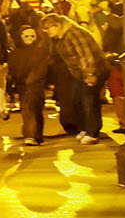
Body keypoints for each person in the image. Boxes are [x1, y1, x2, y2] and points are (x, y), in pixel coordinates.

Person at [42, 11, 109, 144]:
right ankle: (84, 128)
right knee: (76, 99)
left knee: (88, 101)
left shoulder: (73, 33)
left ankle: (92, 132)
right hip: (79, 73)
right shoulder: (60, 37)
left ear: (57, 25)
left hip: (93, 71)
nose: (47, 31)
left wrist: (90, 74)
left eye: (48, 28)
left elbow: (86, 55)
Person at [7, 21, 52, 146]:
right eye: (26, 36)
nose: (30, 39)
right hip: (23, 87)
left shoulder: (41, 51)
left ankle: (37, 135)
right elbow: (12, 70)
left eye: (32, 36)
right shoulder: (16, 53)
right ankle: (29, 135)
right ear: (20, 37)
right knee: (28, 110)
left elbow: (43, 69)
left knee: (37, 110)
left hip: (37, 86)